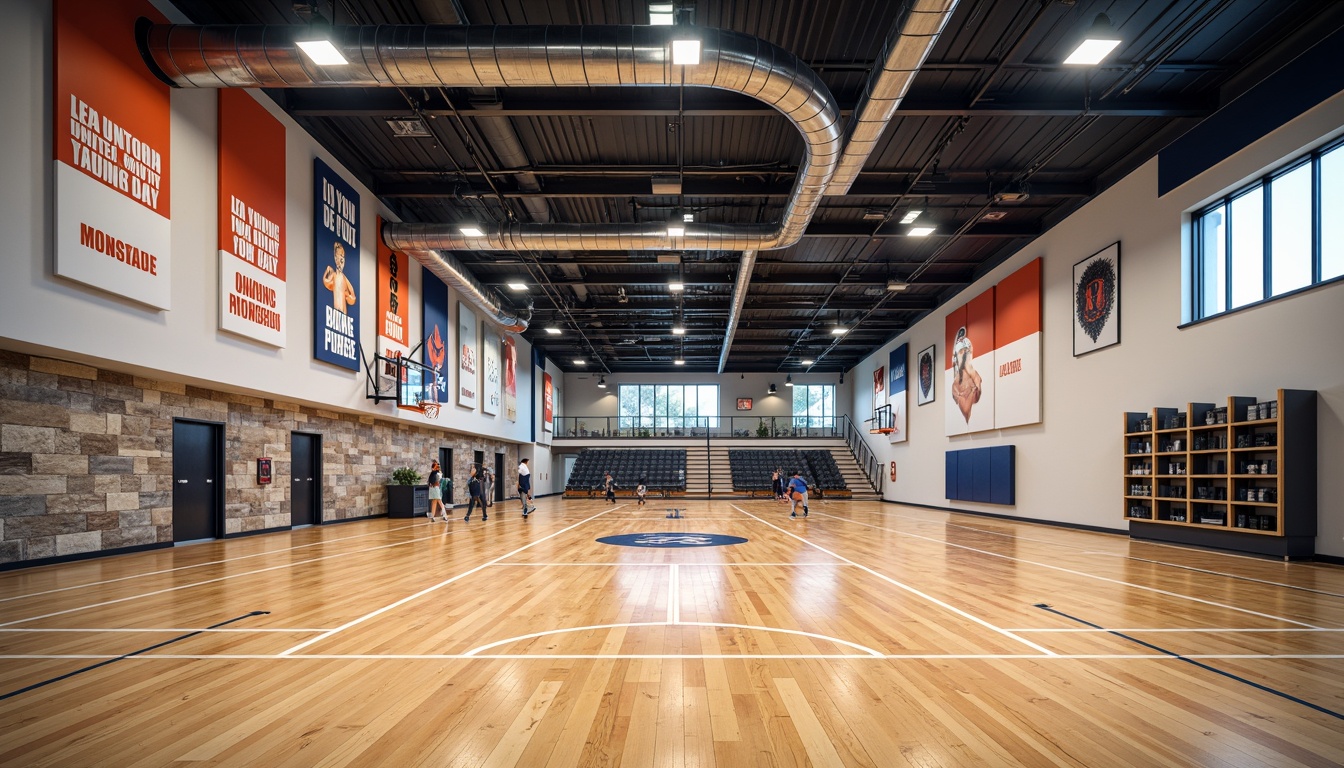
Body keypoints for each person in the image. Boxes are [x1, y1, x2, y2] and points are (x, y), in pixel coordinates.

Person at [950, 325, 982, 423]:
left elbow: (978, 393)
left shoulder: (976, 376)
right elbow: (966, 410)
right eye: (961, 352)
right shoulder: (955, 386)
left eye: (966, 352)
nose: (964, 355)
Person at [321, 241, 357, 315]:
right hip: (336, 312)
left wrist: (347, 294)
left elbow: (352, 298)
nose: (340, 263)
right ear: (335, 258)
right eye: (338, 258)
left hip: (344, 313)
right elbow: (326, 281)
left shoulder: (345, 279)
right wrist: (327, 271)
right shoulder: (334, 275)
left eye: (342, 259)